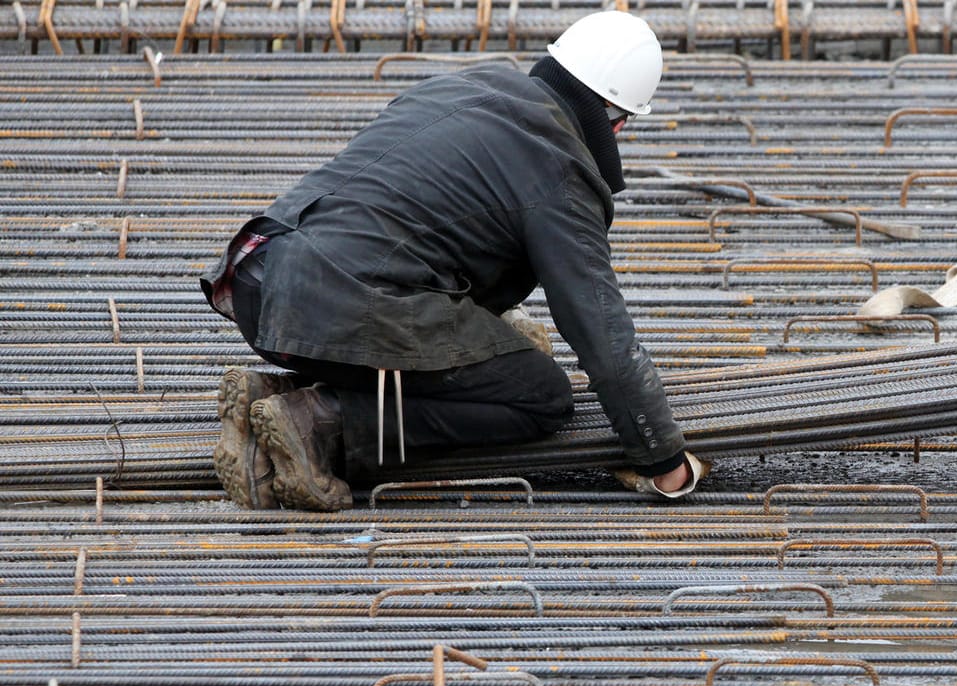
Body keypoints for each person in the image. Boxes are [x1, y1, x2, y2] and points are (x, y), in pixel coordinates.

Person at [199, 11, 705, 510]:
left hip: (260, 281)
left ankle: (271, 393)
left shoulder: (462, 88)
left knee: (485, 345)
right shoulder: (561, 171)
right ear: (615, 123)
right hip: (339, 308)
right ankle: (323, 423)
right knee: (540, 395)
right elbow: (603, 334)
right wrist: (662, 457)